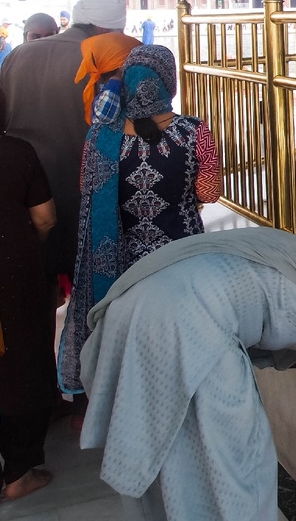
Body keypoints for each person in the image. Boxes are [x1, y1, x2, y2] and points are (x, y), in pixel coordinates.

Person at [79, 227, 296, 520]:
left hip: (140, 304)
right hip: (191, 322)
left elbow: (268, 318)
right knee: (241, 457)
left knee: (169, 442)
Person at [58, 44, 220, 394]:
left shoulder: (101, 138)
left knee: (137, 343)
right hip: (184, 260)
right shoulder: (194, 132)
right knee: (183, 340)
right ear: (168, 82)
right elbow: (209, 192)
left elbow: (88, 189)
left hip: (124, 271)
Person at [0, 0, 129, 280]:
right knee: (93, 285)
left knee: (35, 281)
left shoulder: (18, 54)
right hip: (86, 192)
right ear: (108, 29)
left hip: (27, 194)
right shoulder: (105, 59)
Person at [0, 81, 58, 507]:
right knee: (24, 363)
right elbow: (45, 218)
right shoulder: (18, 152)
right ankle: (18, 472)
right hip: (14, 272)